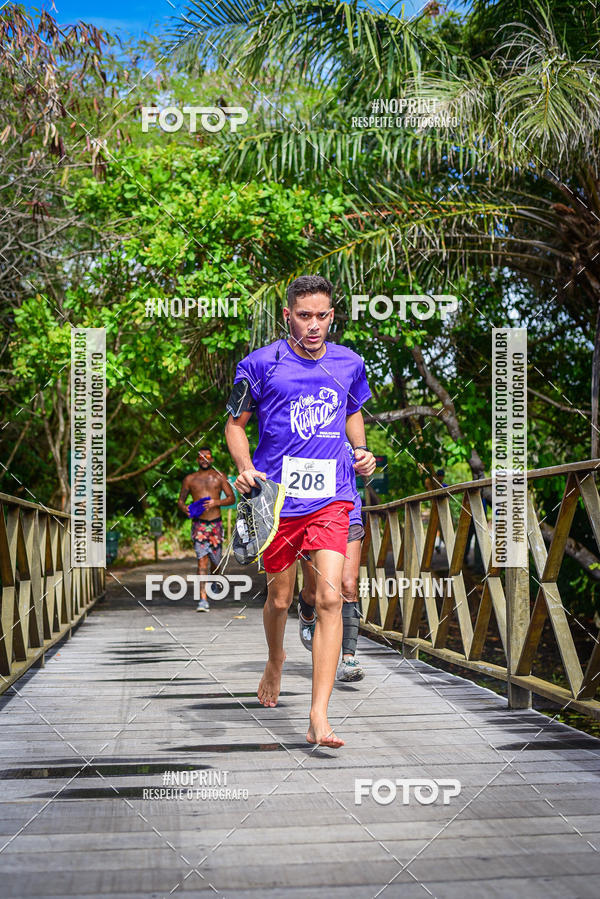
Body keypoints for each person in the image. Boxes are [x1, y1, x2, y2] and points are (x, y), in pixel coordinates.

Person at [224, 274, 375, 747]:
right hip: (276, 500)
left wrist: (362, 450)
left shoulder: (349, 363)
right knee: (281, 599)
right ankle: (275, 659)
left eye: (322, 316)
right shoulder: (259, 364)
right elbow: (235, 425)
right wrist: (246, 468)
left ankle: (318, 715)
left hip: (332, 496)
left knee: (330, 598)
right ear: (288, 315)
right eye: (304, 316)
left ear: (333, 315)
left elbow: (352, 411)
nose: (314, 325)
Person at [298, 441, 366, 682]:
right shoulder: (304, 431)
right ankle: (306, 612)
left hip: (348, 514)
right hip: (312, 516)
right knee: (316, 591)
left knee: (348, 585)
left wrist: (366, 459)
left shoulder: (350, 439)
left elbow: (365, 463)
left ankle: (348, 659)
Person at [177, 447, 235, 611]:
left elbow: (231, 498)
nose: (204, 459)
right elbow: (180, 501)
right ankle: (203, 599)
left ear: (212, 459)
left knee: (215, 561)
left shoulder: (219, 476)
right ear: (197, 460)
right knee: (202, 560)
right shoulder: (190, 479)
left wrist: (216, 502)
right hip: (199, 524)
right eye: (201, 456)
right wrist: (185, 508)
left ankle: (215, 579)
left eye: (207, 456)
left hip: (215, 523)